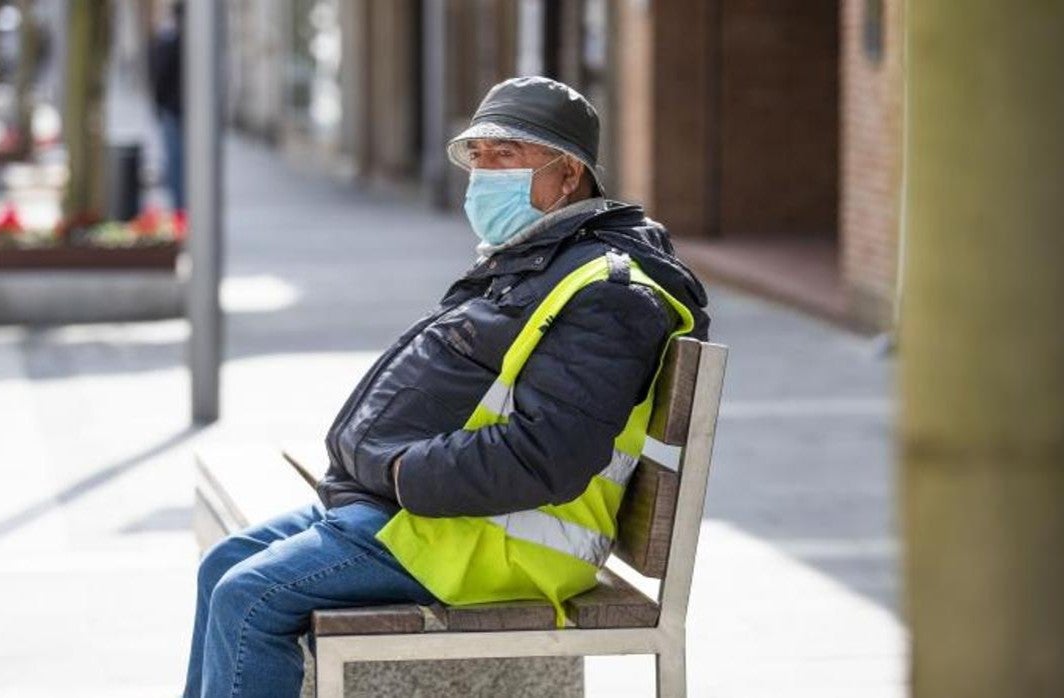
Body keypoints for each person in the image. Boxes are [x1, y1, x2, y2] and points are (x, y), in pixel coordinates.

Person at [182, 76, 711, 698]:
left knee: (250, 599)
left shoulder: (609, 293)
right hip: (435, 516)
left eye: (506, 156)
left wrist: (402, 472)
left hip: (494, 540)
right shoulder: (540, 256)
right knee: (224, 563)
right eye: (477, 158)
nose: (484, 175)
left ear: (568, 175)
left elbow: (549, 455)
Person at [148, 1, 184, 213]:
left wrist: (159, 106)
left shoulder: (170, 43)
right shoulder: (187, 45)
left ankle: (180, 209)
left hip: (172, 111)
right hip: (177, 111)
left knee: (175, 163)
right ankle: (182, 208)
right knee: (178, 162)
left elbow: (160, 79)